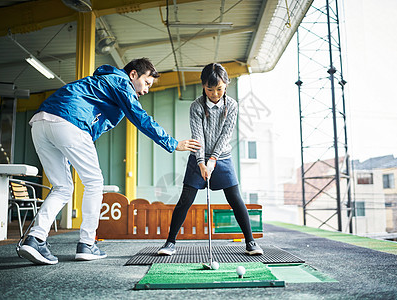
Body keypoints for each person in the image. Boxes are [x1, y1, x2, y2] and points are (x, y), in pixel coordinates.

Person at [18, 58, 201, 265]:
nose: (147, 90)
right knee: (94, 183)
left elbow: (93, 126)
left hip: (41, 122)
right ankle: (87, 244)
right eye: (147, 83)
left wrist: (67, 151)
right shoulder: (121, 82)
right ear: (133, 75)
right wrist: (173, 143)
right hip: (69, 121)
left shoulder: (102, 83)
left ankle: (35, 239)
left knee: (61, 187)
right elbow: (140, 118)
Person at [157, 63, 263, 256]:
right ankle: (170, 243)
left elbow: (225, 135)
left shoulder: (231, 105)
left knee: (235, 199)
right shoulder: (196, 106)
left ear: (226, 85)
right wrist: (201, 163)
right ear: (203, 86)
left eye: (219, 89)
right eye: (210, 89)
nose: (215, 94)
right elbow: (198, 137)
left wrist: (213, 160)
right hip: (198, 158)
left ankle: (251, 242)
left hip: (222, 158)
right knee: (185, 200)